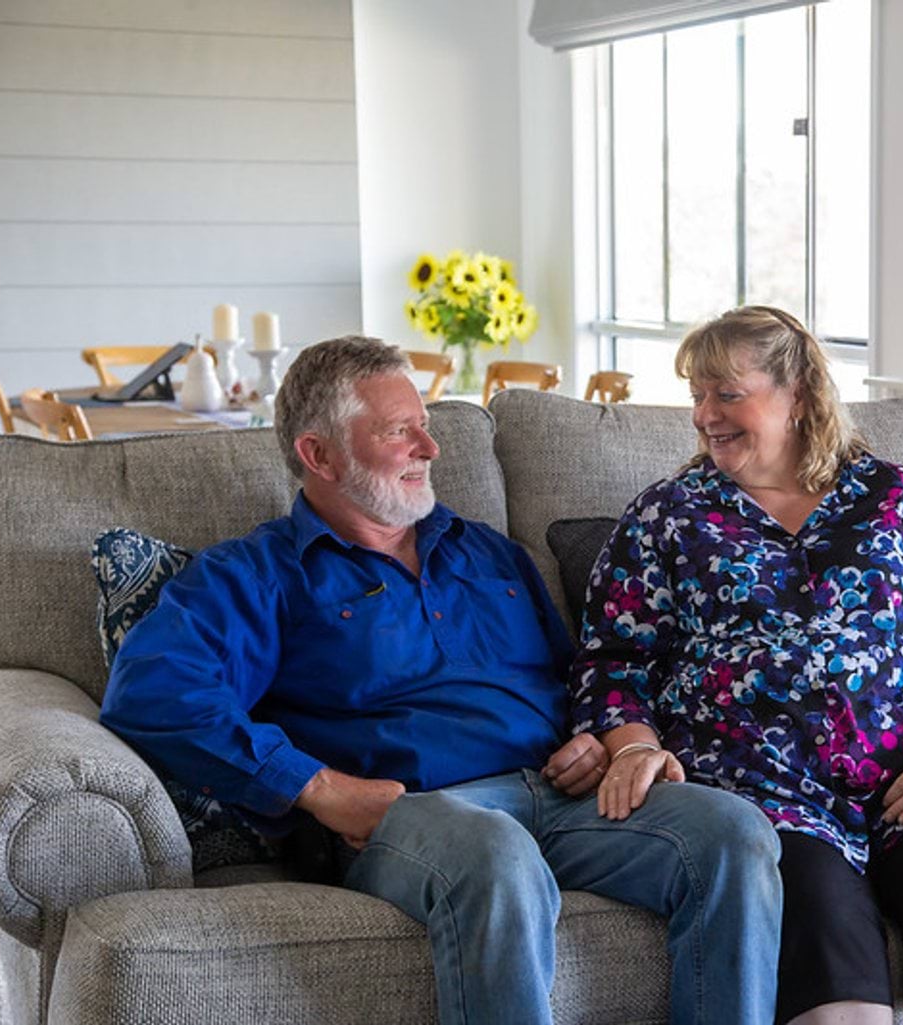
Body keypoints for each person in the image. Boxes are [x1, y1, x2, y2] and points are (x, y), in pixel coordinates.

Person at [100, 336, 781, 1025]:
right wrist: (323, 790)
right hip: (413, 818)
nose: (430, 447)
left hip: (560, 797)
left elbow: (582, 673)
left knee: (733, 833)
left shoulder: (485, 549)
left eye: (424, 424)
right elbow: (152, 694)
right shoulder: (259, 573)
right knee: (495, 850)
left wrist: (596, 738)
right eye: (401, 430)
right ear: (320, 454)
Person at [570, 307, 903, 1025]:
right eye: (697, 395)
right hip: (762, 796)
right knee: (815, 920)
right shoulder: (669, 516)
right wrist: (635, 746)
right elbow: (612, 658)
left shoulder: (896, 499)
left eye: (727, 393)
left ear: (799, 394)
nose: (704, 415)